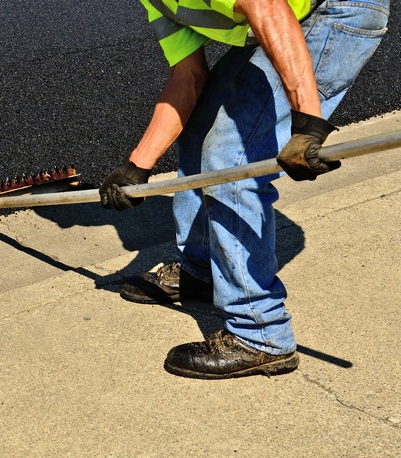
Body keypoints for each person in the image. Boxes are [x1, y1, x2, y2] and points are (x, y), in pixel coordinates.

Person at [99, 0, 390, 379]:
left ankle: (262, 334)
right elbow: (188, 76)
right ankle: (201, 268)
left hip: (336, 9)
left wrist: (308, 124)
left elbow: (268, 9)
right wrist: (136, 166)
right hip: (282, 14)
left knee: (232, 160)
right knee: (200, 127)